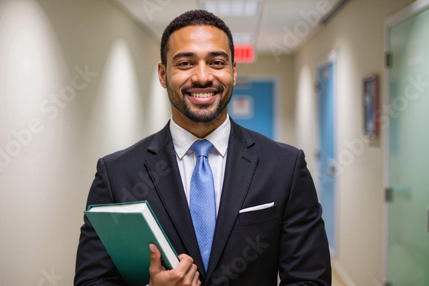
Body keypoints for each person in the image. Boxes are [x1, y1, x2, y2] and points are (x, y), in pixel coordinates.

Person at [75, 9, 331, 286]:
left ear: (233, 72)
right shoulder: (116, 174)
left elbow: (310, 279)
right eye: (185, 63)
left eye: (217, 62)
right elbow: (92, 280)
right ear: (163, 74)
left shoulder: (285, 166)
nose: (202, 77)